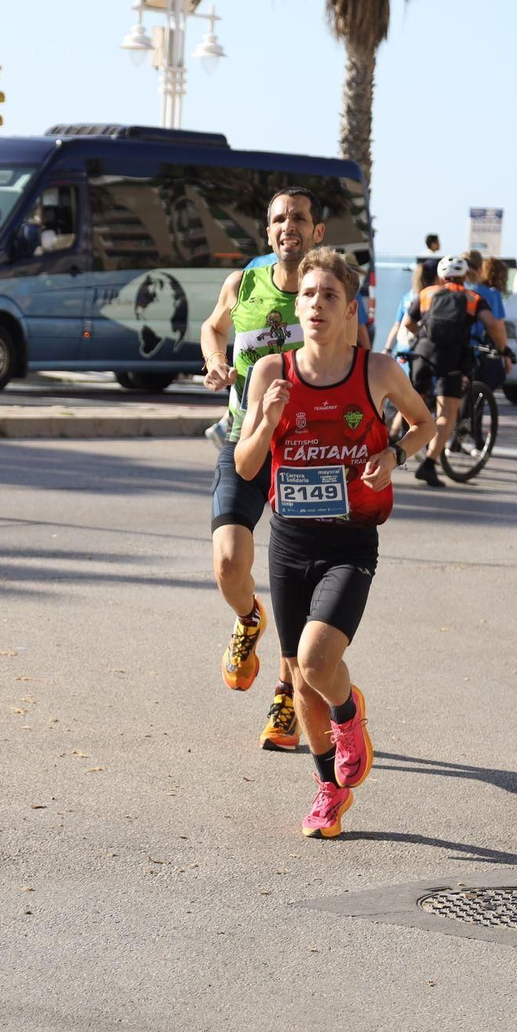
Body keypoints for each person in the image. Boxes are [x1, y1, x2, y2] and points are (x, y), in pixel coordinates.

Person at [233, 246, 435, 838]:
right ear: (296, 305)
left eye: (329, 296)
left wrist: (393, 454)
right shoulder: (273, 372)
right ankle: (328, 792)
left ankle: (351, 714)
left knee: (320, 660)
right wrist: (267, 422)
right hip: (290, 540)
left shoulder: (376, 372)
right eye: (308, 295)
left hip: (350, 541)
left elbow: (425, 422)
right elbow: (246, 467)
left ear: (350, 310)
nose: (316, 304)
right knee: (297, 678)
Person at [200, 187, 330, 753]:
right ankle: (249, 618)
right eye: (279, 219)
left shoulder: (327, 289)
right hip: (243, 436)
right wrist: (216, 362)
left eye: (299, 218)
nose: (288, 227)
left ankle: (285, 693)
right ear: (268, 231)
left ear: (316, 230)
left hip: (301, 453)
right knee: (230, 559)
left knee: (293, 581)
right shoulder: (245, 283)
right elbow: (213, 328)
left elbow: (356, 357)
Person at [400, 254, 509, 486]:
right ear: (465, 275)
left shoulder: (427, 293)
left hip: (423, 352)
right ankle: (429, 464)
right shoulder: (472, 298)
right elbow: (493, 324)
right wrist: (504, 349)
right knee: (447, 413)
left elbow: (408, 323)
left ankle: (391, 441)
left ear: (441, 275)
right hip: (452, 358)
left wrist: (424, 332)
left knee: (412, 400)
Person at [470, 256, 514, 389]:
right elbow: (498, 327)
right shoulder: (493, 294)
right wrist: (506, 354)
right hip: (481, 349)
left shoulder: (471, 289)